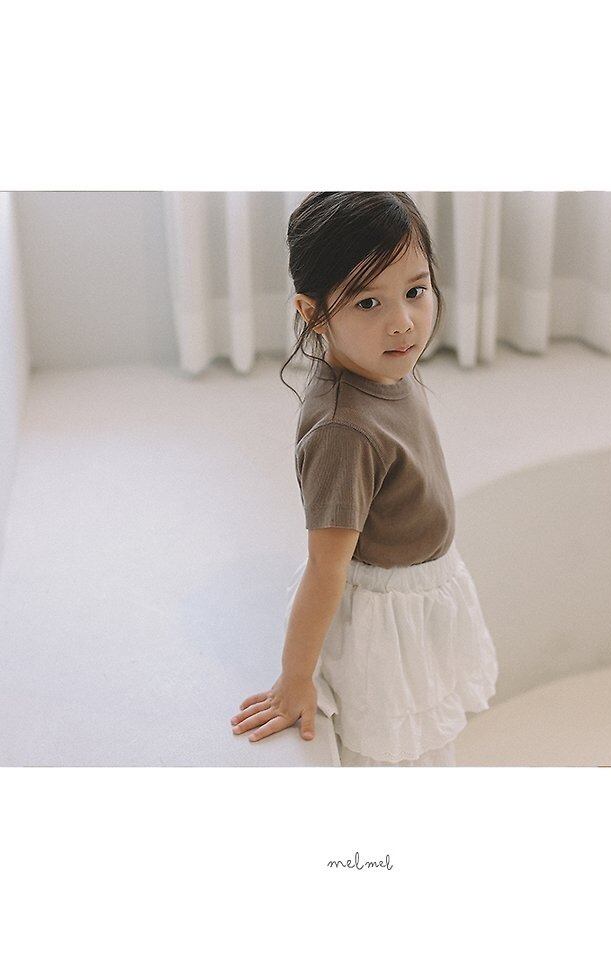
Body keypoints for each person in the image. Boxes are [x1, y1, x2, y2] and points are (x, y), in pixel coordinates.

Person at [230, 192, 498, 766]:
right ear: (312, 313)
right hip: (386, 614)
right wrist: (294, 679)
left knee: (423, 743)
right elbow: (326, 567)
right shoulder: (343, 432)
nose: (402, 322)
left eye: (415, 291)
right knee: (392, 754)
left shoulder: (384, 364)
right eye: (369, 302)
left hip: (419, 591)